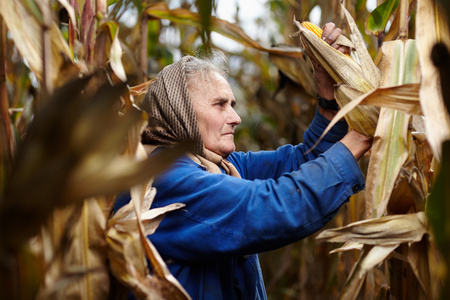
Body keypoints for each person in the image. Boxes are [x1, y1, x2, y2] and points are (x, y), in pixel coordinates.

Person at [115, 23, 373, 299]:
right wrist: (359, 137)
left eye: (233, 105)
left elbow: (304, 160)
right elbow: (272, 206)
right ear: (181, 112)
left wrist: (329, 99)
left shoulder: (219, 167)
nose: (236, 118)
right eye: (220, 104)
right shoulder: (166, 179)